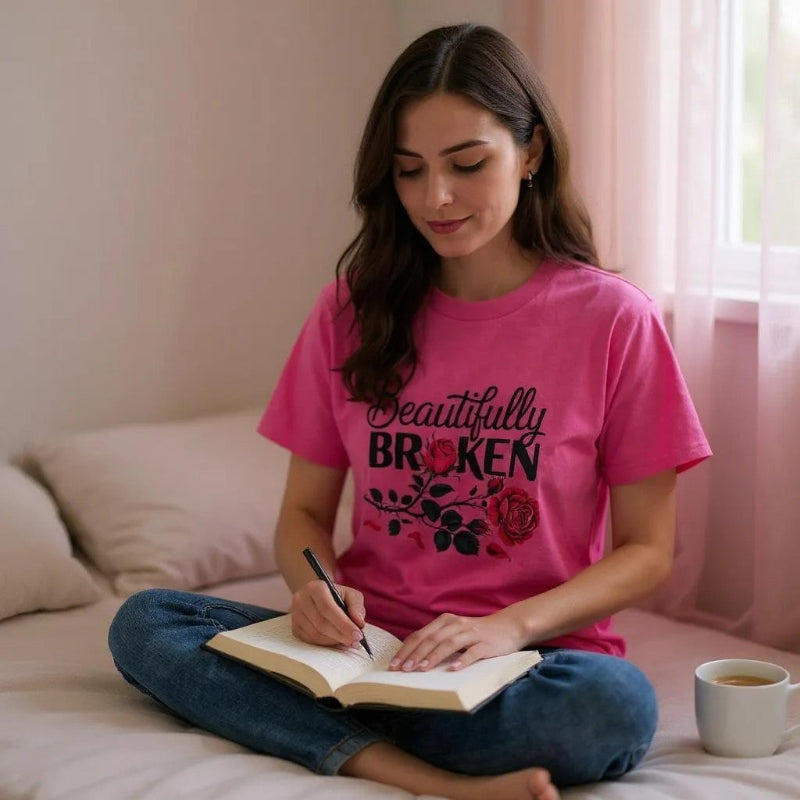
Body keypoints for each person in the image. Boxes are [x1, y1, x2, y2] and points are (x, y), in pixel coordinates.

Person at [108, 23, 711, 800]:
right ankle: (421, 774)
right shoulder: (350, 312)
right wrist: (314, 590)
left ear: (530, 154)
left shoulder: (613, 321)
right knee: (146, 622)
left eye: (467, 164)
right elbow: (301, 517)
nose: (437, 198)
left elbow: (648, 551)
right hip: (368, 648)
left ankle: (336, 735)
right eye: (409, 171)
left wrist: (508, 627)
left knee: (613, 708)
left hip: (524, 661)